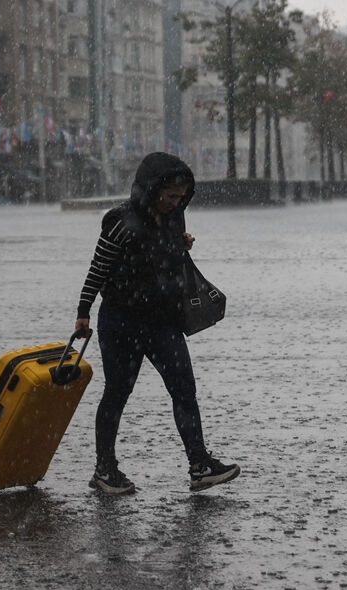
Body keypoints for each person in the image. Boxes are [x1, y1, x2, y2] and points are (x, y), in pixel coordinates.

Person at [74, 152, 240, 494]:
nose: (175, 203)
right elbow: (98, 269)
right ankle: (104, 470)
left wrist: (180, 244)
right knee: (117, 392)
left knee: (184, 389)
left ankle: (199, 465)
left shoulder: (174, 218)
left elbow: (164, 258)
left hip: (162, 320)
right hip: (121, 321)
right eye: (169, 197)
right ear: (151, 190)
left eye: (181, 198)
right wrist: (83, 312)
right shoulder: (119, 222)